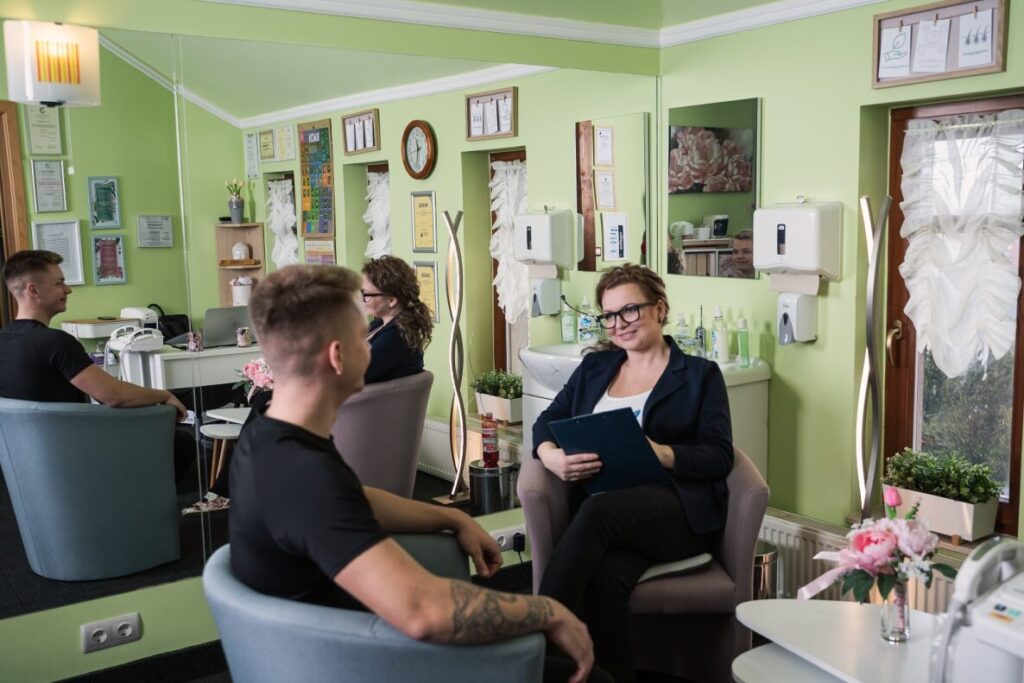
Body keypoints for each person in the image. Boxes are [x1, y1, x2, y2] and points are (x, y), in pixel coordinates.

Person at [230, 264, 607, 683]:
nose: (370, 344)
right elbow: (423, 612)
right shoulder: (304, 474)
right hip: (361, 663)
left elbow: (354, 497)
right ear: (338, 357)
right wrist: (547, 611)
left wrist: (451, 518)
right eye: (362, 336)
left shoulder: (268, 438)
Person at [532, 263, 733, 682]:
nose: (618, 324)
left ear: (659, 309)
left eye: (629, 310)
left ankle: (536, 639)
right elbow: (546, 422)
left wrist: (662, 453)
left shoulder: (699, 376)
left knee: (597, 513)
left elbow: (719, 456)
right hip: (610, 518)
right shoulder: (594, 369)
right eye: (609, 315)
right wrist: (550, 456)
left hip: (675, 512)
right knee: (607, 579)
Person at [0, 251, 195, 486]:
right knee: (181, 443)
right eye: (59, 283)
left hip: (28, 459)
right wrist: (163, 396)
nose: (68, 290)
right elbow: (114, 396)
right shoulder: (55, 342)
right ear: (33, 290)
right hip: (77, 454)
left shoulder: (4, 338)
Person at [361, 256, 432, 384]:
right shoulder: (380, 324)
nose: (362, 299)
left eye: (366, 294)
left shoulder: (395, 338)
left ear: (391, 301)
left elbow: (348, 377)